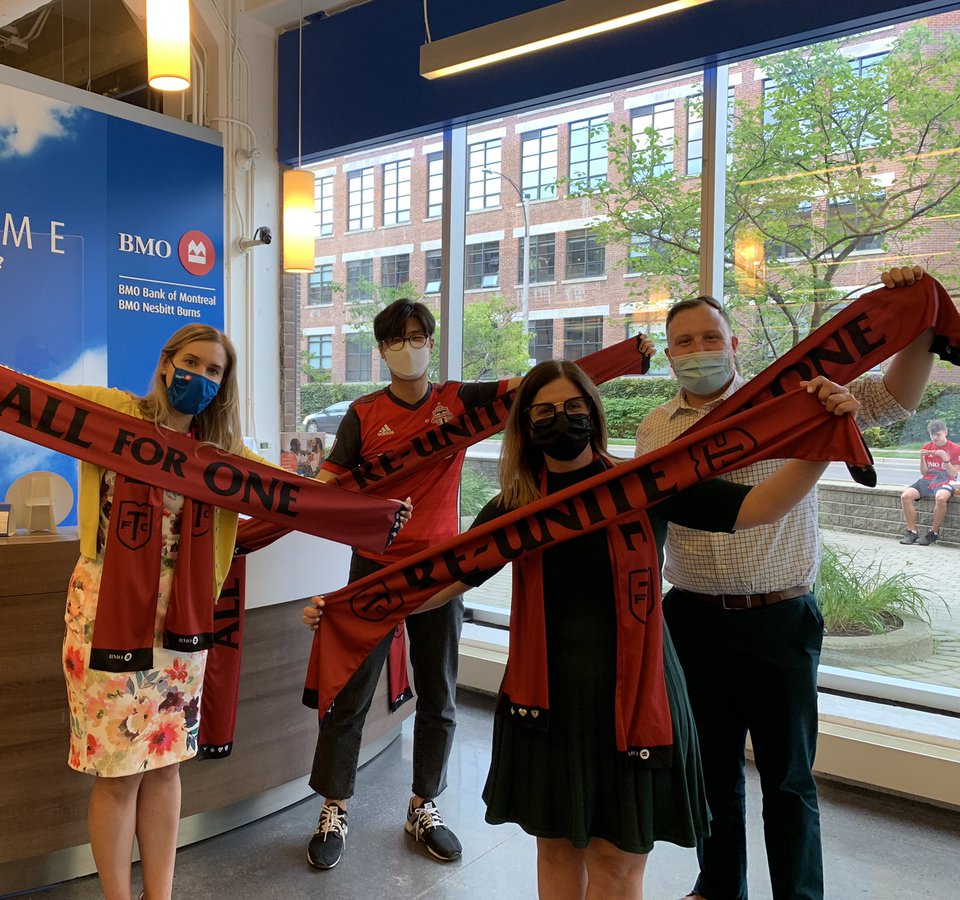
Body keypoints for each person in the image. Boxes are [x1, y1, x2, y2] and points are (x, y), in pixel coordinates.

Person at [305, 359, 858, 899]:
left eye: (573, 407)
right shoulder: (515, 507)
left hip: (637, 700)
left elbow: (760, 506)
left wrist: (823, 441)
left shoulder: (645, 484)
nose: (561, 420)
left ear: (594, 413)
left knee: (616, 863)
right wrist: (351, 609)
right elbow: (446, 582)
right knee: (557, 854)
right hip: (547, 703)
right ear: (526, 427)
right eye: (544, 412)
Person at [54, 324, 409, 900]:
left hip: (183, 621)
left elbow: (293, 493)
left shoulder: (220, 457)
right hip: (106, 611)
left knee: (165, 763)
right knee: (118, 771)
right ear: (166, 363)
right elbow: (24, 397)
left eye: (214, 371)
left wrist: (374, 512)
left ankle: (159, 896)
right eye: (192, 362)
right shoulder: (114, 416)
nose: (201, 377)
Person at [634, 266, 938, 900]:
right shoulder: (655, 427)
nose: (697, 351)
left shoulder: (795, 401)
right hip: (691, 618)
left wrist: (919, 322)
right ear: (668, 353)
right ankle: (718, 887)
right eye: (684, 341)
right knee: (711, 772)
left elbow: (897, 398)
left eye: (709, 337)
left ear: (734, 343)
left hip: (779, 618)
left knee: (789, 780)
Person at [303, 298, 522, 870]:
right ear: (381, 350)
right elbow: (328, 492)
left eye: (418, 336)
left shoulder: (458, 400)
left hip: (440, 571)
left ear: (431, 340)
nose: (409, 347)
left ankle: (424, 804)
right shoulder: (363, 413)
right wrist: (369, 510)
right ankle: (334, 806)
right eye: (397, 339)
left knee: (440, 694)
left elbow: (528, 388)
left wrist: (622, 359)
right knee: (351, 693)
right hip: (374, 568)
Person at [899, 418, 960, 546]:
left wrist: (946, 460)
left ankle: (934, 532)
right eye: (932, 435)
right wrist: (922, 458)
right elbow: (924, 473)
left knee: (941, 498)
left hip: (946, 480)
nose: (934, 438)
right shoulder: (927, 447)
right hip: (928, 480)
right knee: (905, 496)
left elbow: (954, 474)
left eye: (938, 434)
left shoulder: (955, 448)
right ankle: (912, 532)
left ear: (945, 432)